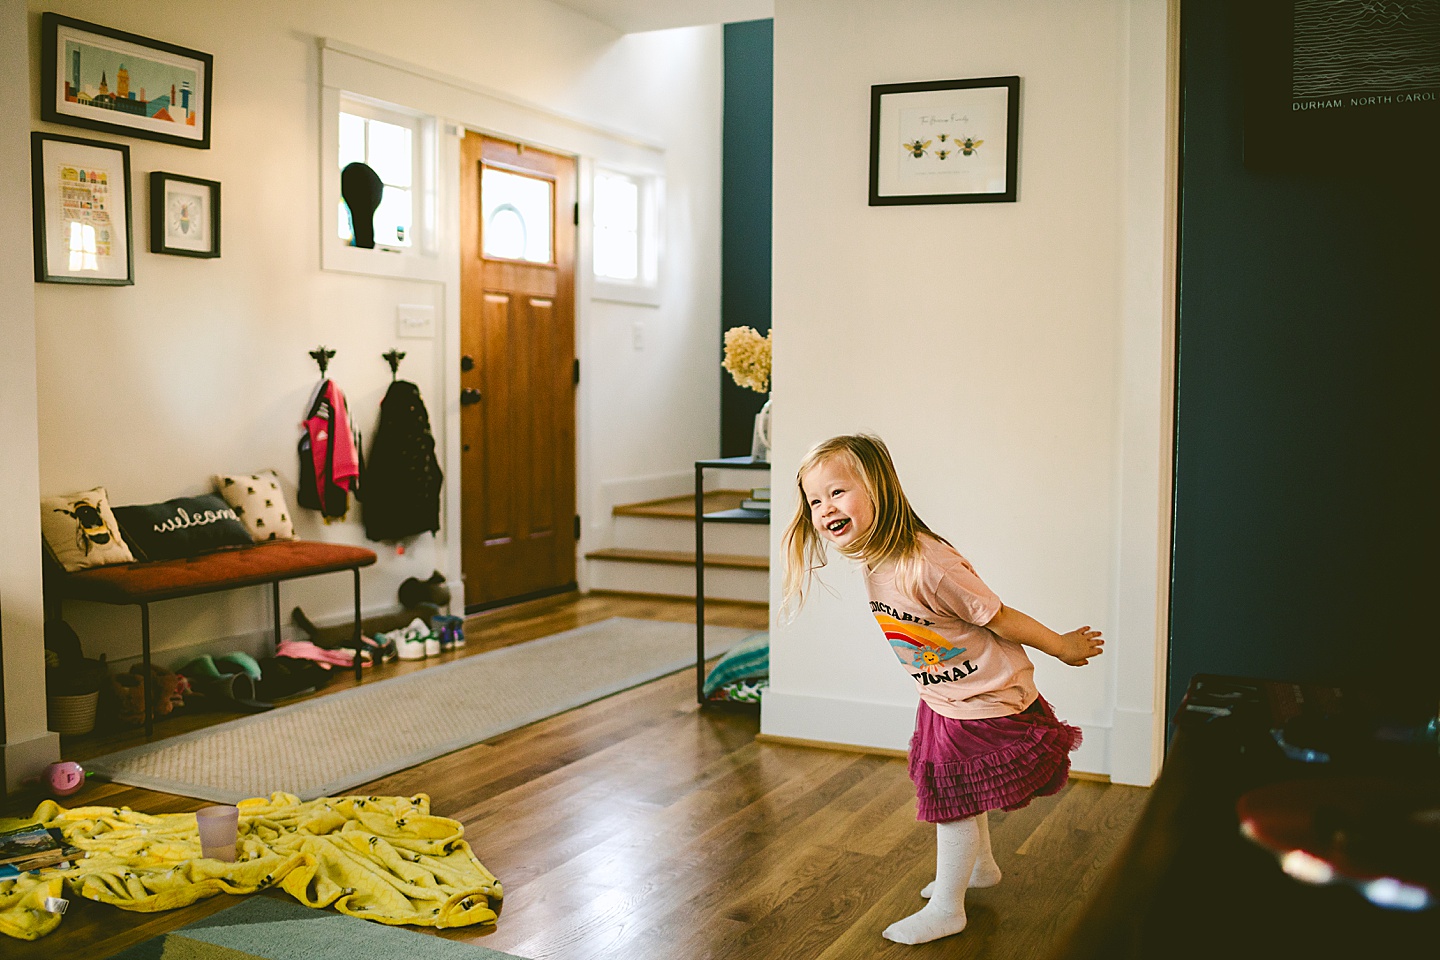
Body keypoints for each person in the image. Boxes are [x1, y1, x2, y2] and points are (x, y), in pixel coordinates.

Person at [782, 434, 1104, 945]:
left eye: (837, 493)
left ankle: (948, 908)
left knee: (950, 799)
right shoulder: (877, 559)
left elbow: (998, 617)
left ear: (878, 489)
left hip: (983, 698)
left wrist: (1060, 646)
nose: (824, 510)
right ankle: (980, 869)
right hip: (946, 696)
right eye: (815, 500)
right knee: (957, 789)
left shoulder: (925, 562)